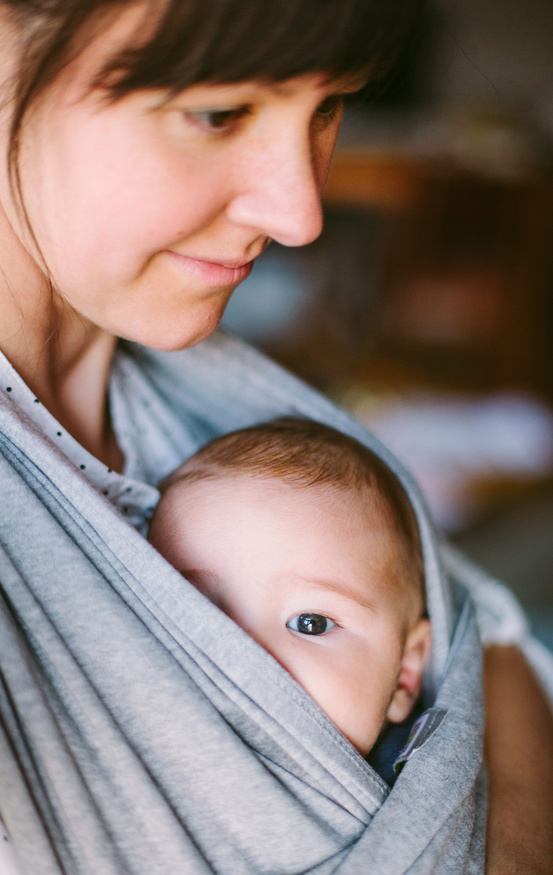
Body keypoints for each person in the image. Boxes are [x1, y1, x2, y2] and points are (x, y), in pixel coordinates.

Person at [0, 1, 551, 873]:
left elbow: (485, 631)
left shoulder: (205, 386)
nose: (299, 213)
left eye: (330, 106)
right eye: (217, 112)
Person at [148, 417, 432, 762]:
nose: (246, 655)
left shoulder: (429, 785)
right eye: (199, 610)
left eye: (311, 622)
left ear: (404, 674)